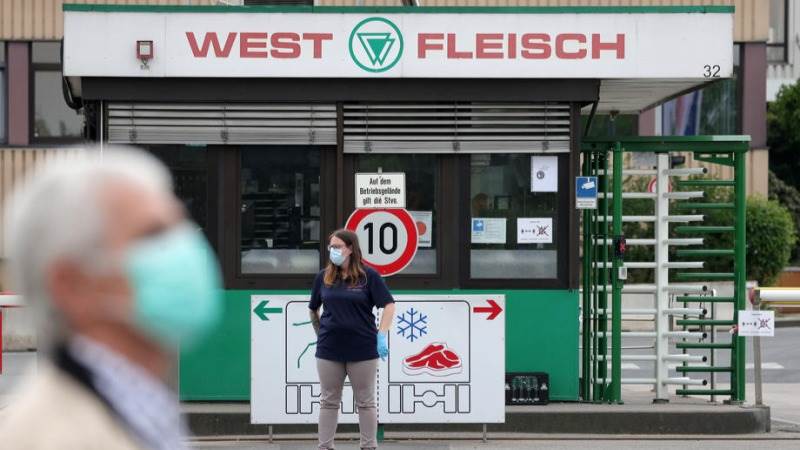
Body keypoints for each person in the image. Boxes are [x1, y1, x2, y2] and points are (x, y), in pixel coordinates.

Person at [0, 148, 222, 450]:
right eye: (154, 235)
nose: (185, 250)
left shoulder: (139, 412)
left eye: (180, 228)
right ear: (73, 284)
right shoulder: (58, 438)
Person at [309, 229, 396, 450]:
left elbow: (388, 305)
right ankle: (324, 446)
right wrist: (321, 332)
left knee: (365, 401)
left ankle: (369, 446)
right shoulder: (323, 277)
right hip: (329, 350)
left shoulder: (369, 276)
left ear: (350, 249)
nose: (333, 251)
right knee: (328, 401)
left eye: (337, 246)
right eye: (331, 247)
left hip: (363, 349)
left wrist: (381, 334)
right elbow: (313, 308)